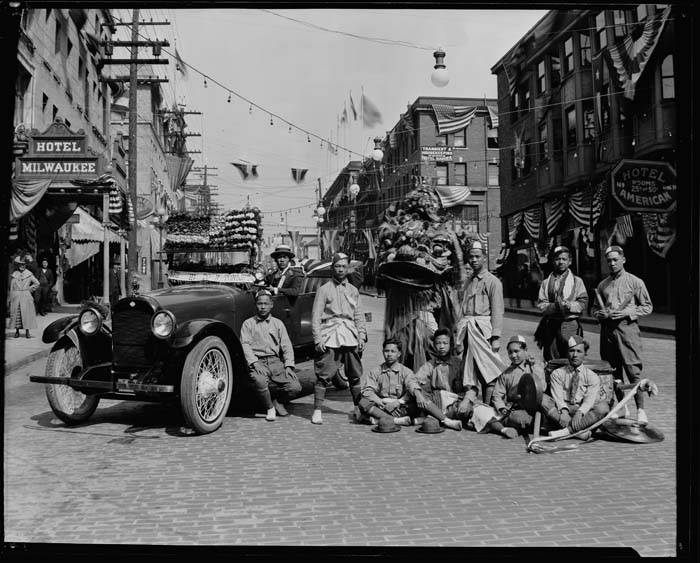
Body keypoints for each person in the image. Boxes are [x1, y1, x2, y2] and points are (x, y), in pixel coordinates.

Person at [592, 245, 653, 424]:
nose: (611, 263)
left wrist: (628, 312)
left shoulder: (635, 282)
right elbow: (595, 308)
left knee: (633, 371)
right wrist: (599, 314)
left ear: (623, 260)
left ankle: (640, 410)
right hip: (608, 332)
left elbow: (647, 306)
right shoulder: (602, 285)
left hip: (627, 330)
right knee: (613, 372)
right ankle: (622, 408)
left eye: (615, 259)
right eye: (609, 260)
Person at [311, 252, 367, 425]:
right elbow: (316, 315)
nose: (341, 269)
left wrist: (361, 335)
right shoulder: (324, 289)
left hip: (349, 333)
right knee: (324, 372)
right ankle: (318, 410)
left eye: (344, 266)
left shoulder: (353, 290)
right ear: (332, 268)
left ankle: (358, 408)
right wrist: (318, 338)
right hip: (330, 333)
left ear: (348, 268)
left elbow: (358, 315)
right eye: (338, 266)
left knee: (354, 374)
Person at [454, 240, 507, 405]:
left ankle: (488, 405)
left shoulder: (493, 282)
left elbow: (498, 310)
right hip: (468, 329)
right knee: (470, 368)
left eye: (477, 256)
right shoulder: (469, 281)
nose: (474, 260)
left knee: (487, 368)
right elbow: (463, 307)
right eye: (471, 257)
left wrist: (496, 336)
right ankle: (470, 404)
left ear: (484, 258)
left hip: (483, 330)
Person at [240, 289, 302, 421]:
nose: (262, 307)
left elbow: (286, 346)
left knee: (295, 387)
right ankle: (269, 407)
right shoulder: (248, 324)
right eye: (260, 303)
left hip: (275, 362)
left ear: (271, 305)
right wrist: (255, 363)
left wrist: (289, 365)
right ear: (256, 305)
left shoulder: (277, 323)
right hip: (258, 361)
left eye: (266, 304)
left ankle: (278, 402)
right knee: (260, 380)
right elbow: (245, 345)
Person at [539, 335, 610, 440]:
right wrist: (563, 410)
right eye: (572, 351)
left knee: (603, 407)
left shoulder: (592, 376)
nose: (575, 355)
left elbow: (589, 400)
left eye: (579, 351)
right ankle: (579, 433)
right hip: (562, 410)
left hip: (580, 409)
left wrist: (580, 412)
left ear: (585, 354)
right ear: (567, 352)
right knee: (542, 398)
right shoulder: (558, 373)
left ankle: (567, 431)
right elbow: (557, 396)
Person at [404, 328, 468, 431]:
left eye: (445, 343)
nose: (441, 346)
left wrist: (466, 400)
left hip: (454, 403)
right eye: (438, 343)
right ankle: (447, 421)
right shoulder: (430, 364)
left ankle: (431, 417)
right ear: (434, 345)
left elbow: (471, 386)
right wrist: (418, 394)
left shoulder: (459, 363)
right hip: (436, 401)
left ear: (450, 345)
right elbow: (412, 381)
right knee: (419, 393)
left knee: (468, 408)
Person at [534, 246, 588, 361]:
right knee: (551, 359)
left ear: (570, 261)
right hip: (551, 324)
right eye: (558, 259)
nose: (561, 262)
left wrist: (569, 305)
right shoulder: (545, 283)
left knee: (572, 358)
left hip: (570, 324)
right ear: (553, 261)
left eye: (564, 259)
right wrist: (554, 306)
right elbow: (541, 304)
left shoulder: (577, 281)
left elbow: (583, 302)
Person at [489, 335, 546, 438]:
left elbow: (543, 387)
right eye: (510, 352)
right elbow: (497, 395)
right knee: (519, 418)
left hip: (536, 408)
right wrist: (502, 408)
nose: (513, 355)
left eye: (517, 351)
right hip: (517, 410)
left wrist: (534, 366)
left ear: (525, 350)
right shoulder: (506, 374)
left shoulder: (534, 367)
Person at [357, 338, 417, 427]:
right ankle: (397, 421)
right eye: (386, 351)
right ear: (383, 352)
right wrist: (380, 402)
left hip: (399, 407)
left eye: (393, 351)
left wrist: (397, 402)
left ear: (399, 354)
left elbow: (411, 389)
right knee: (363, 402)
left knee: (417, 404)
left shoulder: (406, 371)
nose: (389, 354)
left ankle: (378, 419)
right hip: (381, 406)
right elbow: (367, 391)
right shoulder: (375, 371)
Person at [9, 257, 40, 339]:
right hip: (16, 297)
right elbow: (11, 287)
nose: (22, 266)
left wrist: (29, 289)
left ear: (26, 265)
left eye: (23, 264)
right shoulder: (15, 274)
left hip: (26, 296)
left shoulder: (29, 274)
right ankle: (17, 331)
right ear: (18, 265)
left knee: (27, 314)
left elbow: (37, 283)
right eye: (20, 264)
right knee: (17, 314)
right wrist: (11, 297)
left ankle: (27, 332)